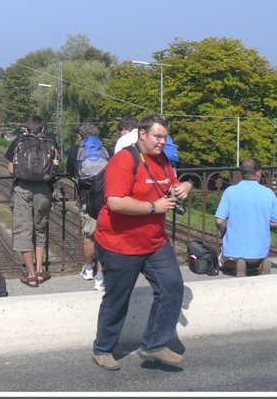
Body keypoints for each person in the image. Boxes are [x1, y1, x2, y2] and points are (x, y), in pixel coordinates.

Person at [91, 115, 193, 371]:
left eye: (165, 137)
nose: (162, 142)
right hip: (119, 243)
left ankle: (154, 345)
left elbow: (169, 185)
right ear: (143, 134)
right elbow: (115, 202)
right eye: (158, 136)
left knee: (172, 287)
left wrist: (184, 185)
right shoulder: (123, 160)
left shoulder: (162, 161)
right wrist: (153, 207)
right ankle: (102, 349)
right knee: (117, 299)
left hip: (154, 241)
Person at [4, 115, 60, 288]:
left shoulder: (19, 141)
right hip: (44, 190)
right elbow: (57, 165)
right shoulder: (51, 141)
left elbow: (10, 169)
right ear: (43, 128)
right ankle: (40, 270)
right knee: (40, 229)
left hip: (22, 190)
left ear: (26, 129)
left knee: (23, 231)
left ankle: (31, 275)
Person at [214, 157, 277, 277]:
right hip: (259, 252)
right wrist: (264, 223)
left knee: (222, 261)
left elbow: (219, 221)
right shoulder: (269, 193)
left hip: (233, 252)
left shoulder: (230, 191)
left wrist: (224, 232)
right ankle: (260, 263)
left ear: (242, 173)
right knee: (255, 257)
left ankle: (238, 265)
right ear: (258, 173)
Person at [66, 123, 110, 291]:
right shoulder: (106, 150)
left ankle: (88, 269)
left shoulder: (75, 150)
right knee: (104, 235)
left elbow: (70, 171)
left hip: (87, 196)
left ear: (80, 137)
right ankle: (101, 277)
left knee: (90, 235)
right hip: (106, 196)